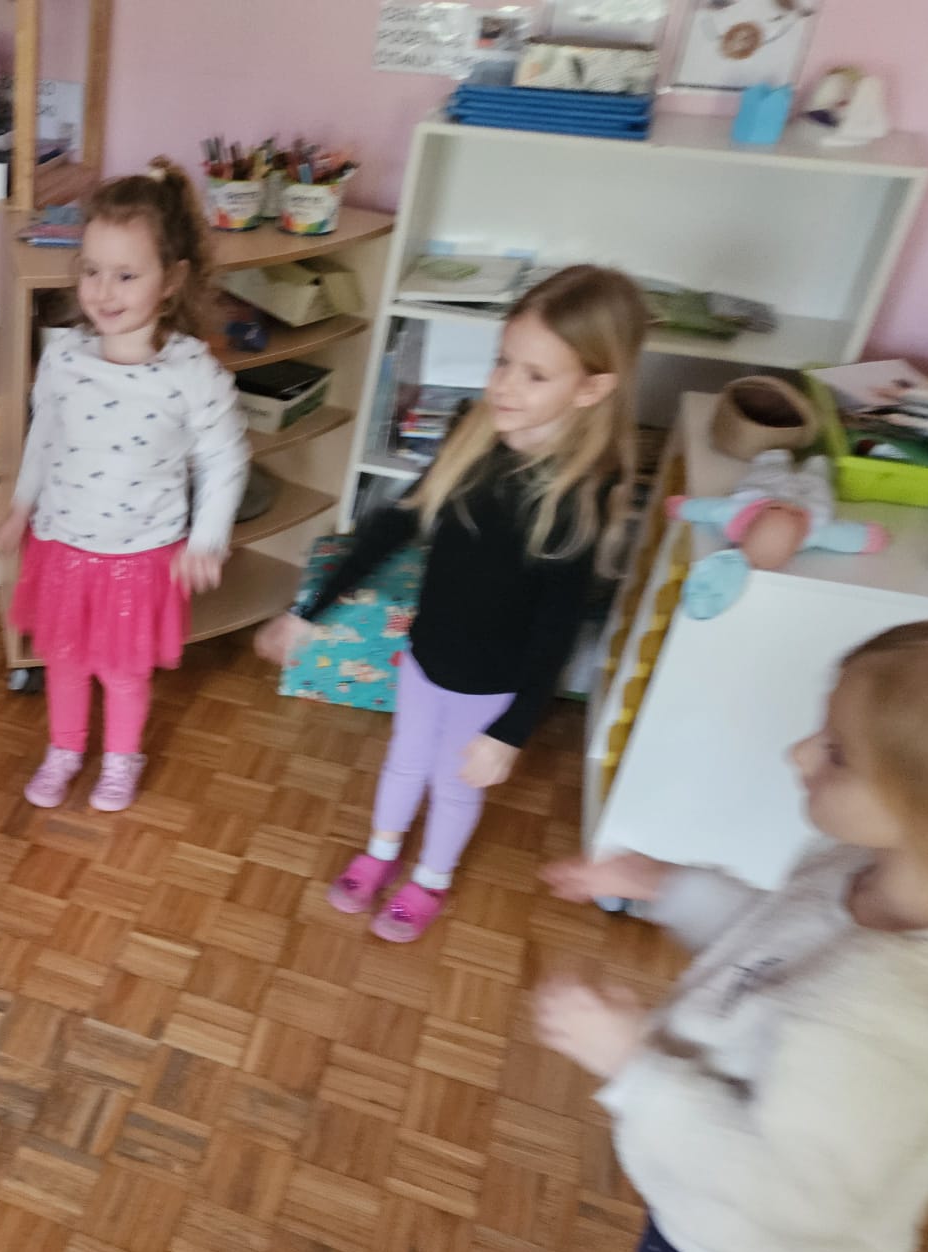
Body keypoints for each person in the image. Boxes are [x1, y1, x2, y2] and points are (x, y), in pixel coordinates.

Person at [480, 615, 928, 1252]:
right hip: (708, 1193)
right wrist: (669, 888)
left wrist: (633, 1064)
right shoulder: (866, 864)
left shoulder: (888, 1019)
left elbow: (782, 1185)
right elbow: (772, 951)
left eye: (836, 753)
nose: (799, 755)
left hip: (736, 1239)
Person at [256, 265, 647, 941]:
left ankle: (431, 880)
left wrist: (510, 733)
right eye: (503, 361)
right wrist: (307, 612)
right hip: (424, 660)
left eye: (534, 375)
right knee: (403, 762)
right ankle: (380, 853)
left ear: (591, 388)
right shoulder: (473, 435)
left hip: (488, 690)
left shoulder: (573, 506)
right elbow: (390, 526)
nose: (504, 385)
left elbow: (555, 633)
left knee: (452, 786)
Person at [0, 158, 249, 813]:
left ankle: (120, 758)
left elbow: (224, 458)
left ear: (172, 281)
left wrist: (208, 540)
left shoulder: (192, 374)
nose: (104, 291)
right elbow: (44, 435)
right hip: (63, 545)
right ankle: (64, 748)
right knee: (63, 659)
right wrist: (22, 504)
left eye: (127, 275)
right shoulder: (63, 355)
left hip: (139, 556)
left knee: (121, 670)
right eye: (92, 270)